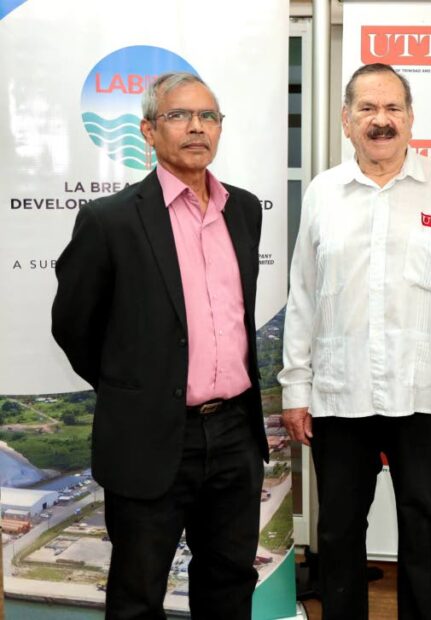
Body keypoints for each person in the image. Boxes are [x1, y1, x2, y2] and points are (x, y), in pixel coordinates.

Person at [278, 63, 431, 619]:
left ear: (411, 118)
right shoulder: (324, 194)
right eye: (368, 110)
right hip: (338, 392)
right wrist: (295, 389)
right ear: (347, 121)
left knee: (426, 526)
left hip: (424, 393)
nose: (381, 121)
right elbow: (302, 295)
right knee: (341, 530)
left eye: (393, 108)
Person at [52, 72, 269, 619]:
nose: (197, 127)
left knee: (228, 583)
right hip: (148, 435)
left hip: (234, 433)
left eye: (208, 116)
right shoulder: (110, 221)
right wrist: (136, 387)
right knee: (138, 594)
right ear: (148, 130)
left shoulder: (244, 210)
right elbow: (74, 326)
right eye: (179, 116)